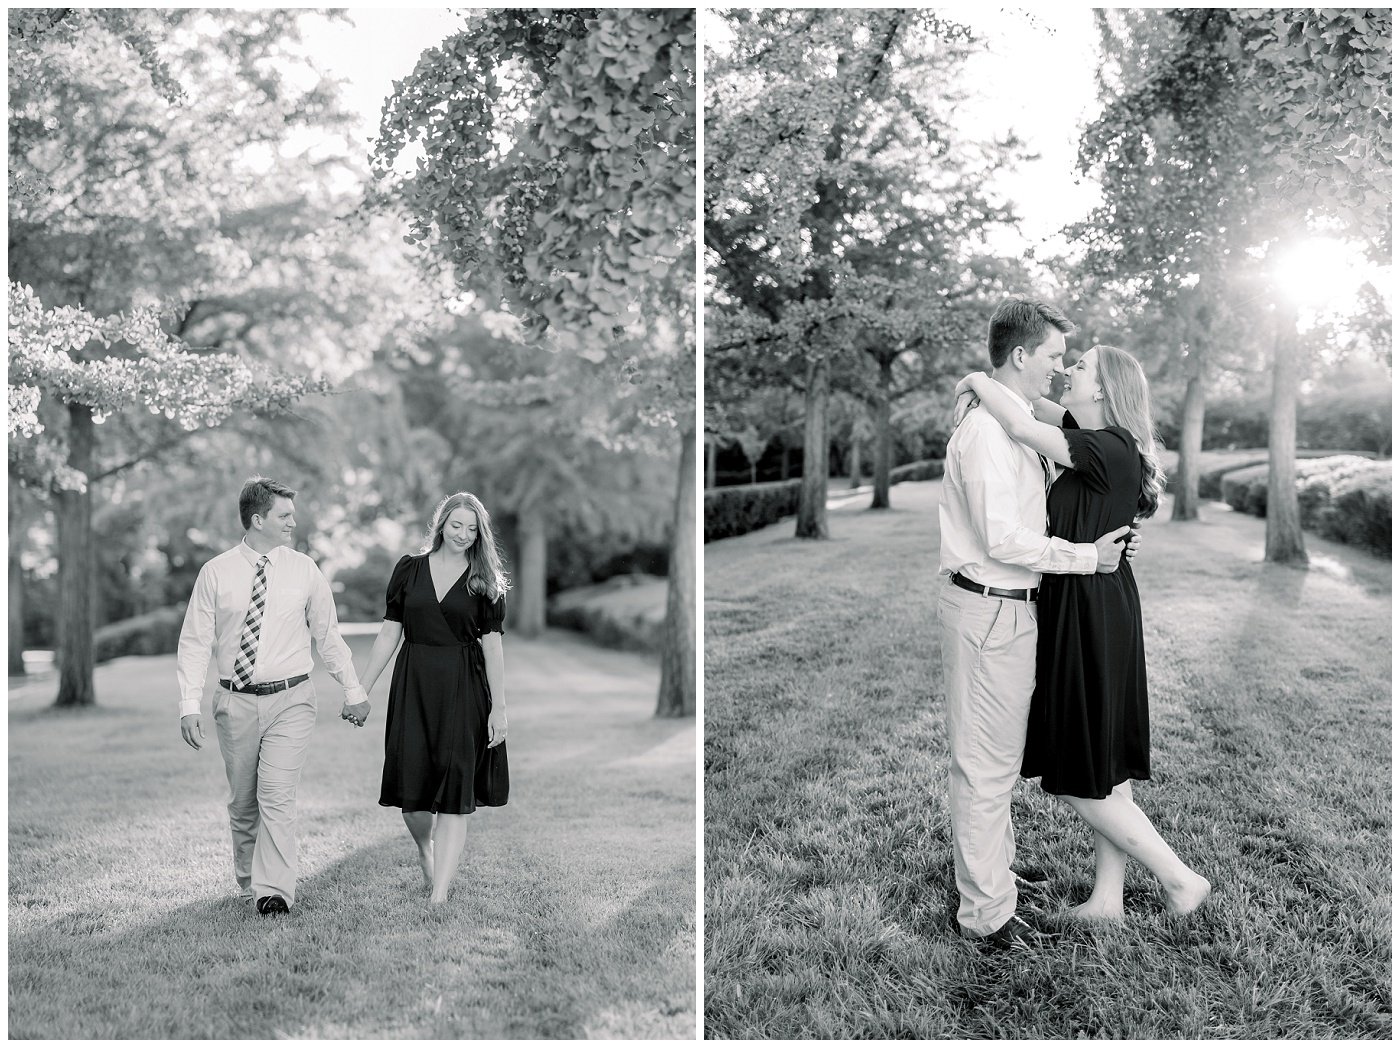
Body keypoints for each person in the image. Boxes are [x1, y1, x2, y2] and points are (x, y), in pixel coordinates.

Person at [957, 343, 1212, 922]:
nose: (1068, 371)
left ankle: (1180, 879)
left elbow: (1020, 420)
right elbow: (1036, 407)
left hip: (1092, 609)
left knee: (1077, 774)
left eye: (1081, 366)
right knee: (1105, 767)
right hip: (1097, 597)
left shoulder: (1107, 447)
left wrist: (975, 376)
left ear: (1102, 388)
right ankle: (1106, 900)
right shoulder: (1091, 436)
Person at [937, 297, 1137, 952]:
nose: (1059, 368)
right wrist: (1088, 558)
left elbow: (1051, 433)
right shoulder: (991, 431)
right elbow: (1002, 538)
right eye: (1055, 356)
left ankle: (991, 878)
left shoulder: (1012, 417)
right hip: (992, 603)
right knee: (984, 769)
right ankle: (987, 915)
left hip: (1014, 608)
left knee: (997, 763)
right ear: (1021, 355)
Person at [177, 476, 372, 916]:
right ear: (258, 518)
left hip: (293, 699)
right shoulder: (216, 572)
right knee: (244, 802)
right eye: (285, 515)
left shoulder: (304, 569)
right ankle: (249, 881)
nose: (293, 521)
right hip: (235, 702)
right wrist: (188, 705)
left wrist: (354, 689)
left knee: (277, 794)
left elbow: (329, 636)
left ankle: (274, 893)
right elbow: (194, 642)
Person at [353, 491, 510, 906]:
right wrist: (360, 689)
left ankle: (439, 894)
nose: (463, 534)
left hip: (464, 686)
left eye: (472, 528)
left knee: (456, 788)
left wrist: (499, 707)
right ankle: (426, 847)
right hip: (414, 684)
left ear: (480, 534)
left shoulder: (484, 580)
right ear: (441, 524)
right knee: (413, 794)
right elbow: (390, 633)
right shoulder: (410, 570)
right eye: (456, 525)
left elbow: (492, 647)